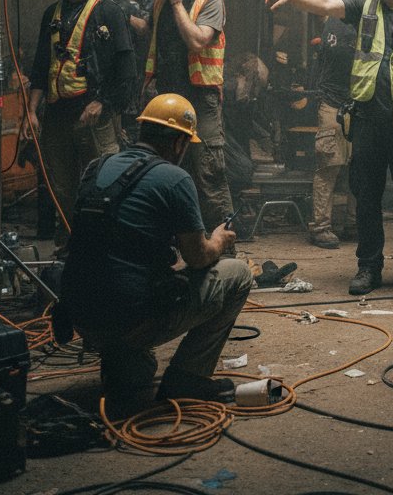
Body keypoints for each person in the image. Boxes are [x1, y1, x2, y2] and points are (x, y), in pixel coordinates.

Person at [260, 0, 393, 297]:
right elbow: (326, 6)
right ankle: (368, 267)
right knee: (367, 198)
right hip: (369, 118)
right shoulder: (365, 5)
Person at [60, 93, 252, 415]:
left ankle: (120, 363)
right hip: (130, 319)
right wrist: (218, 240)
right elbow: (199, 257)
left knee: (138, 371)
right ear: (179, 143)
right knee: (238, 274)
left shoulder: (97, 166)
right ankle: (188, 379)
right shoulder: (175, 179)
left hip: (81, 314)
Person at [23, 0, 136, 251]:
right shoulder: (53, 13)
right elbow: (41, 66)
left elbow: (127, 70)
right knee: (63, 190)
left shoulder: (108, 12)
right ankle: (70, 253)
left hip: (93, 117)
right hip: (58, 116)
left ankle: (108, 253)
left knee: (105, 187)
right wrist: (31, 110)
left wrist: (104, 103)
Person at [143, 0, 233, 230]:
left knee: (207, 171)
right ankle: (176, 243)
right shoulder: (159, 3)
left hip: (200, 97)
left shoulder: (211, 1)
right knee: (164, 170)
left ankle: (224, 246)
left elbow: (197, 41)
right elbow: (150, 34)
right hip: (166, 96)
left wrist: (178, 3)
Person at [306, 0, 357, 250]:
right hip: (332, 103)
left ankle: (352, 223)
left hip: (351, 103)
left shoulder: (342, 24)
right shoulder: (320, 29)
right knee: (329, 165)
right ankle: (322, 227)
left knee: (357, 167)